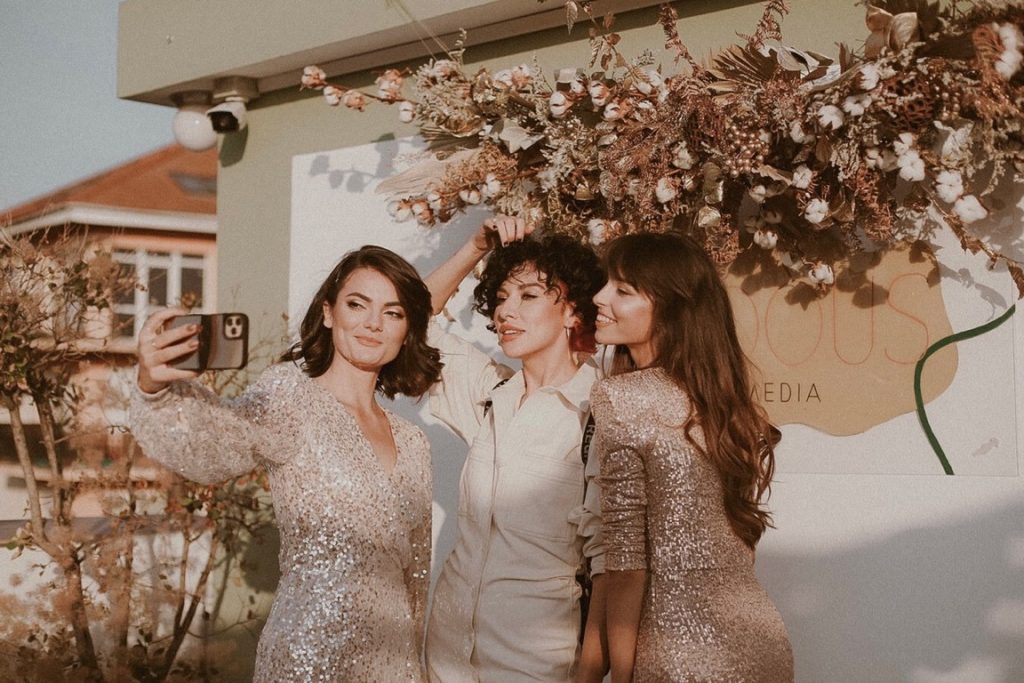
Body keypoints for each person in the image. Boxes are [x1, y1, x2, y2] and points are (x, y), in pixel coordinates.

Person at [129, 245, 443, 682]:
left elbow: (416, 574)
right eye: (358, 305)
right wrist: (152, 387)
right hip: (309, 655)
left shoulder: (414, 442)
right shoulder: (291, 397)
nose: (373, 323)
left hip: (392, 662)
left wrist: (414, 669)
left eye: (393, 313)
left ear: (407, 331)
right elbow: (216, 439)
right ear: (329, 312)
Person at [590, 231, 794, 682]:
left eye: (623, 290)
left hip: (679, 650)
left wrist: (621, 676)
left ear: (670, 307)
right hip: (761, 642)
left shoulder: (619, 396)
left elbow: (625, 562)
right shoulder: (728, 406)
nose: (599, 297)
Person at [423, 216, 610, 682]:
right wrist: (474, 246)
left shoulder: (598, 414)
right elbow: (409, 317)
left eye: (528, 296)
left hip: (534, 661)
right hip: (446, 651)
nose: (507, 312)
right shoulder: (490, 395)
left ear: (572, 312)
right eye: (501, 298)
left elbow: (610, 566)